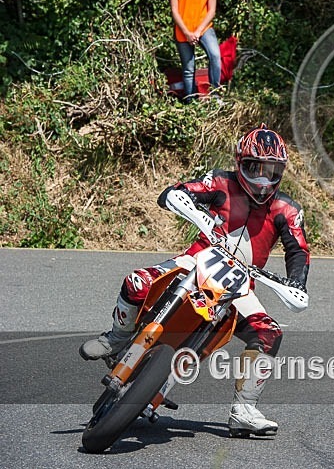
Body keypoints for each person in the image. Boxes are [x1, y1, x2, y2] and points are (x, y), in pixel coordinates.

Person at [80, 125, 310, 437]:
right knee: (137, 282)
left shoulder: (288, 209)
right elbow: (174, 193)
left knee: (269, 332)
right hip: (197, 259)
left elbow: (298, 250)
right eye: (255, 168)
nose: (262, 178)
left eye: (272, 170)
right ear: (240, 162)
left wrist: (297, 283)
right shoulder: (220, 182)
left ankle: (244, 408)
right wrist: (198, 213)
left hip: (240, 284)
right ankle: (117, 338)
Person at [171, 0, 222, 101]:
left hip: (203, 27)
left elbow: (212, 10)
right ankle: (190, 102)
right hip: (183, 29)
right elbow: (174, 10)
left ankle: (215, 95)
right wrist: (187, 33)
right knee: (188, 68)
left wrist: (198, 32)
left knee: (215, 56)